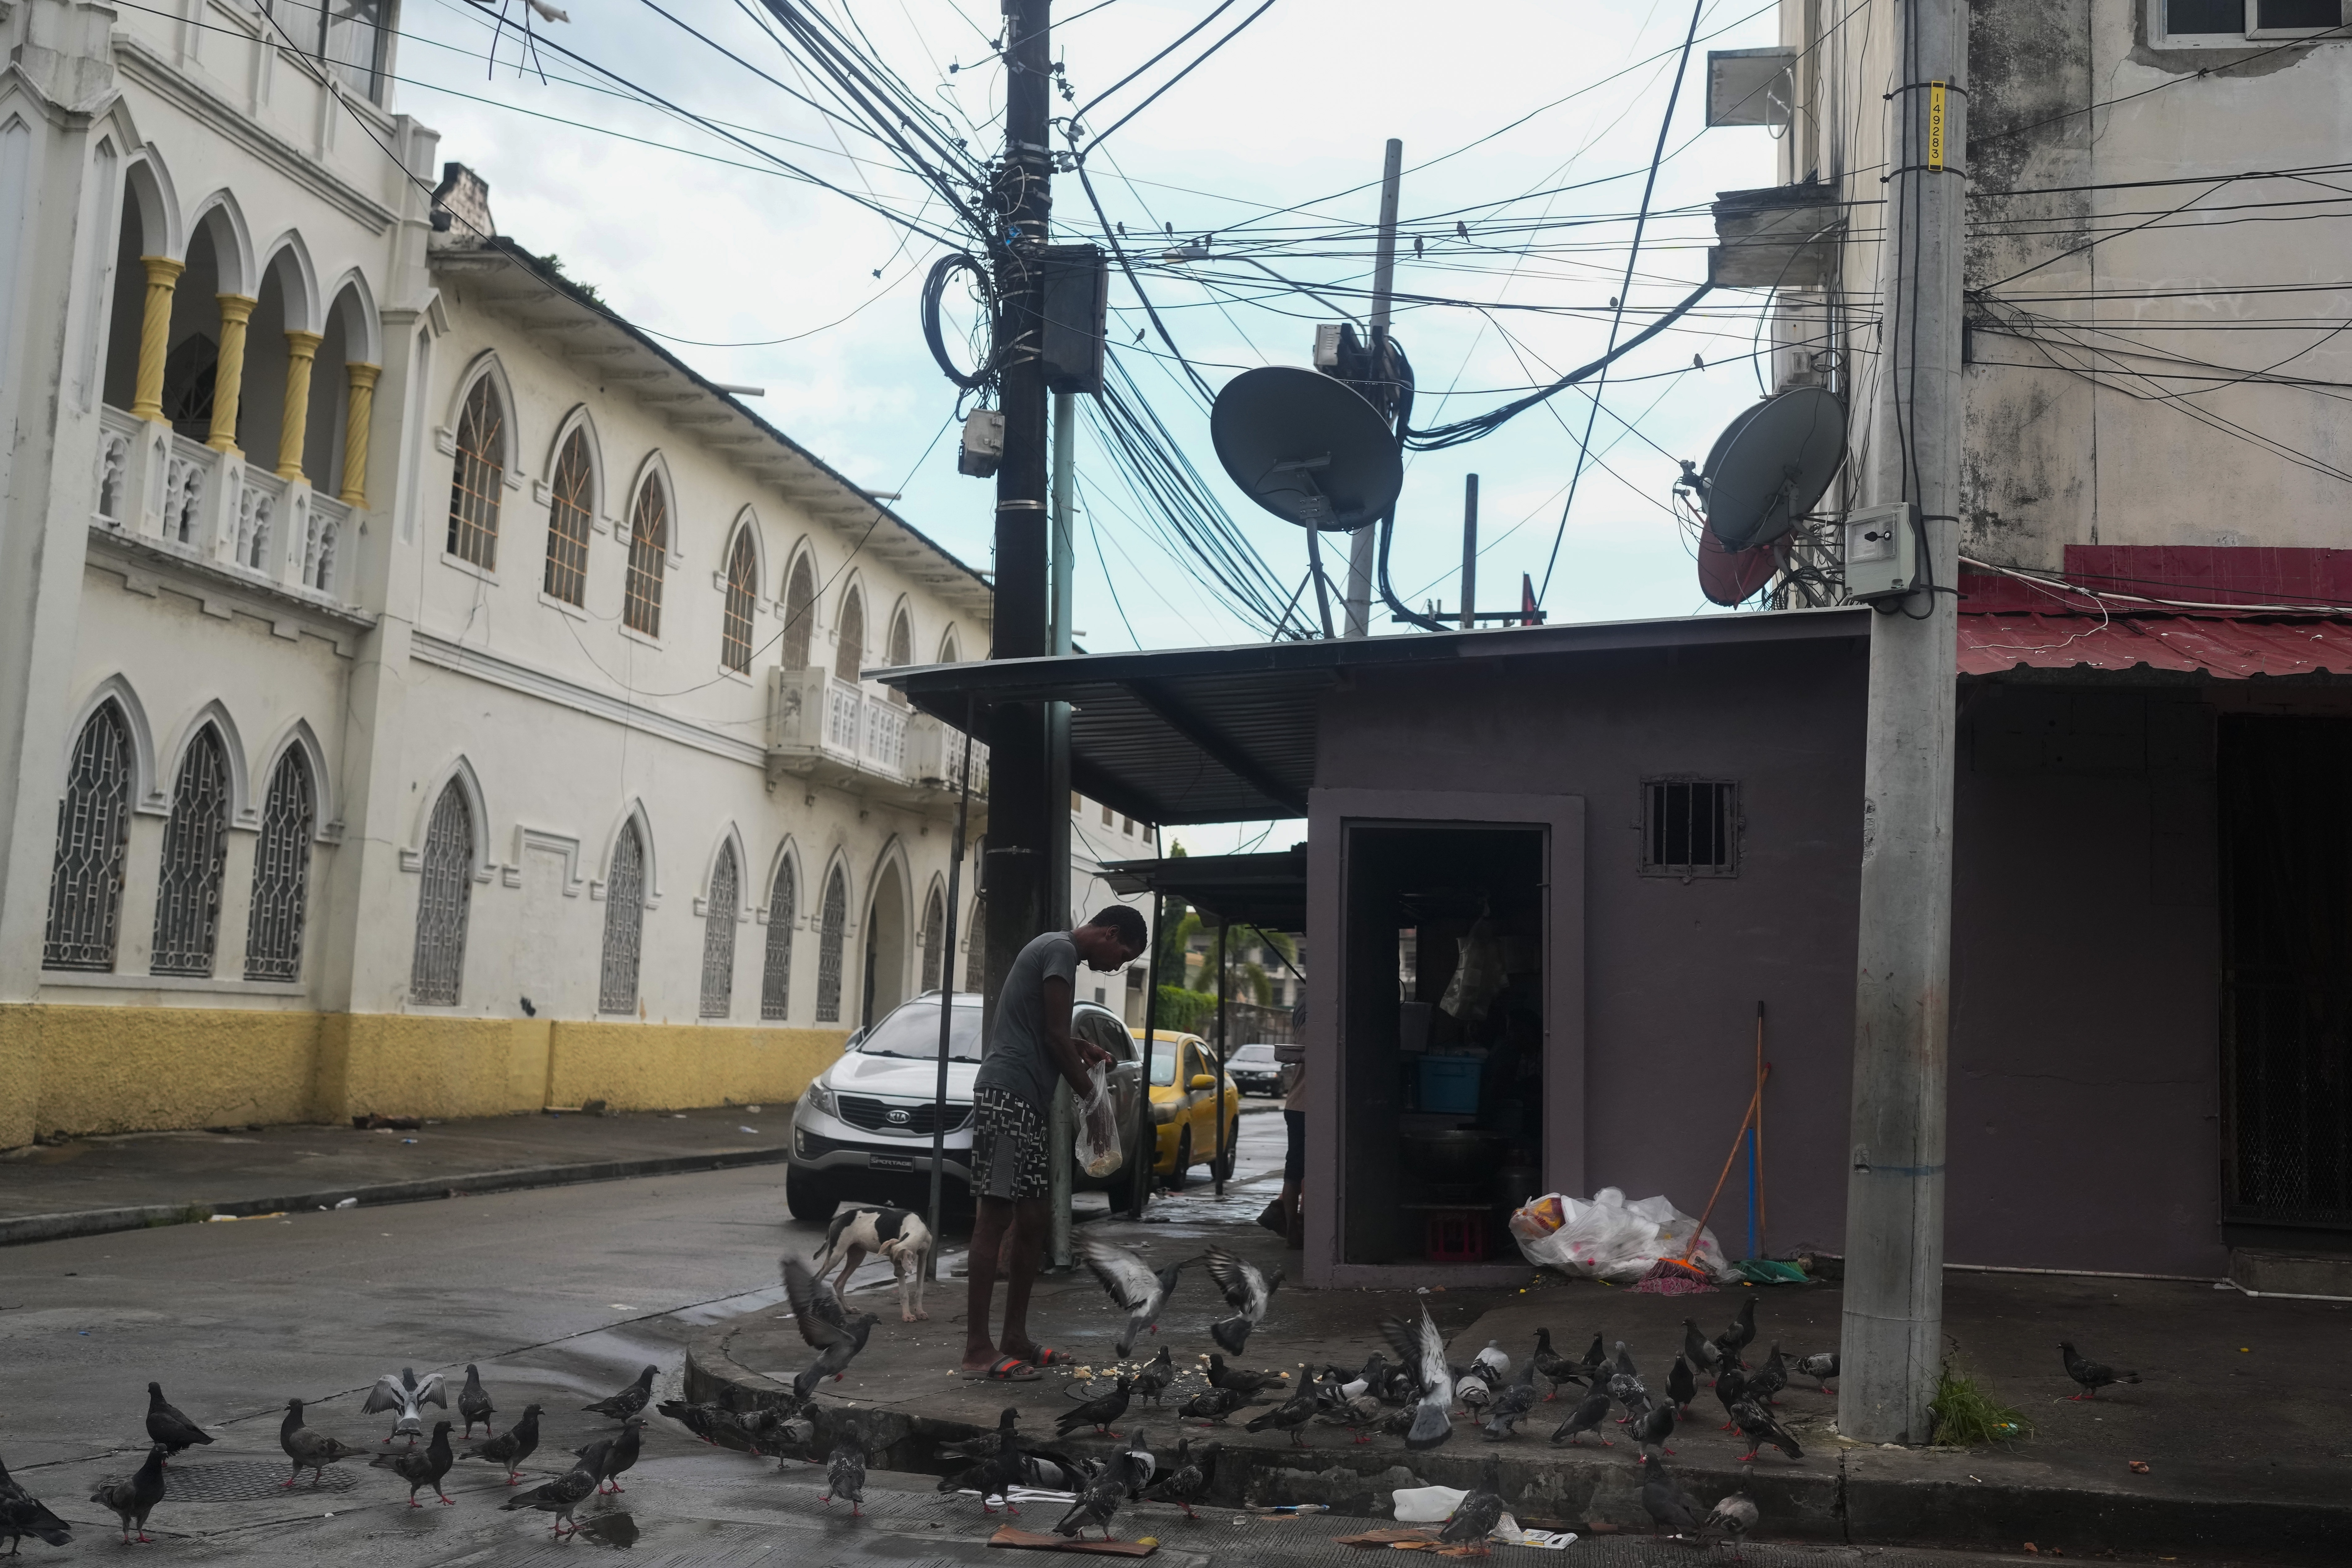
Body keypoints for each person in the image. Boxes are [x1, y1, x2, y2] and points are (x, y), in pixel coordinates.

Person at [961, 905, 1150, 1376]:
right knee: (995, 1218)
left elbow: (1050, 1032)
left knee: (1034, 1218)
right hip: (1006, 1097)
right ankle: (977, 1350)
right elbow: (1051, 1037)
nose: (1117, 966)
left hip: (1029, 1103)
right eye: (1122, 954)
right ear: (1109, 933)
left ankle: (1015, 1337)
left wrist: (1081, 1048)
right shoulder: (1060, 950)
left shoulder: (1058, 952)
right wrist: (1096, 1107)